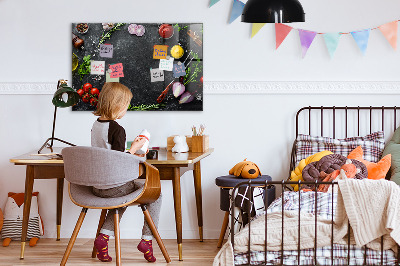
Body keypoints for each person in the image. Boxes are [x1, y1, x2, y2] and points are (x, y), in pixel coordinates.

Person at [91, 82, 161, 263]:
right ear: (118, 105)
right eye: (126, 106)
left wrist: (130, 149)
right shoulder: (117, 129)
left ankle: (103, 238)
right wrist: (136, 148)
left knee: (121, 197)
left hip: (97, 186)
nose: (126, 110)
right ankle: (147, 240)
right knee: (156, 194)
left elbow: (108, 154)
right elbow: (119, 160)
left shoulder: (96, 125)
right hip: (114, 186)